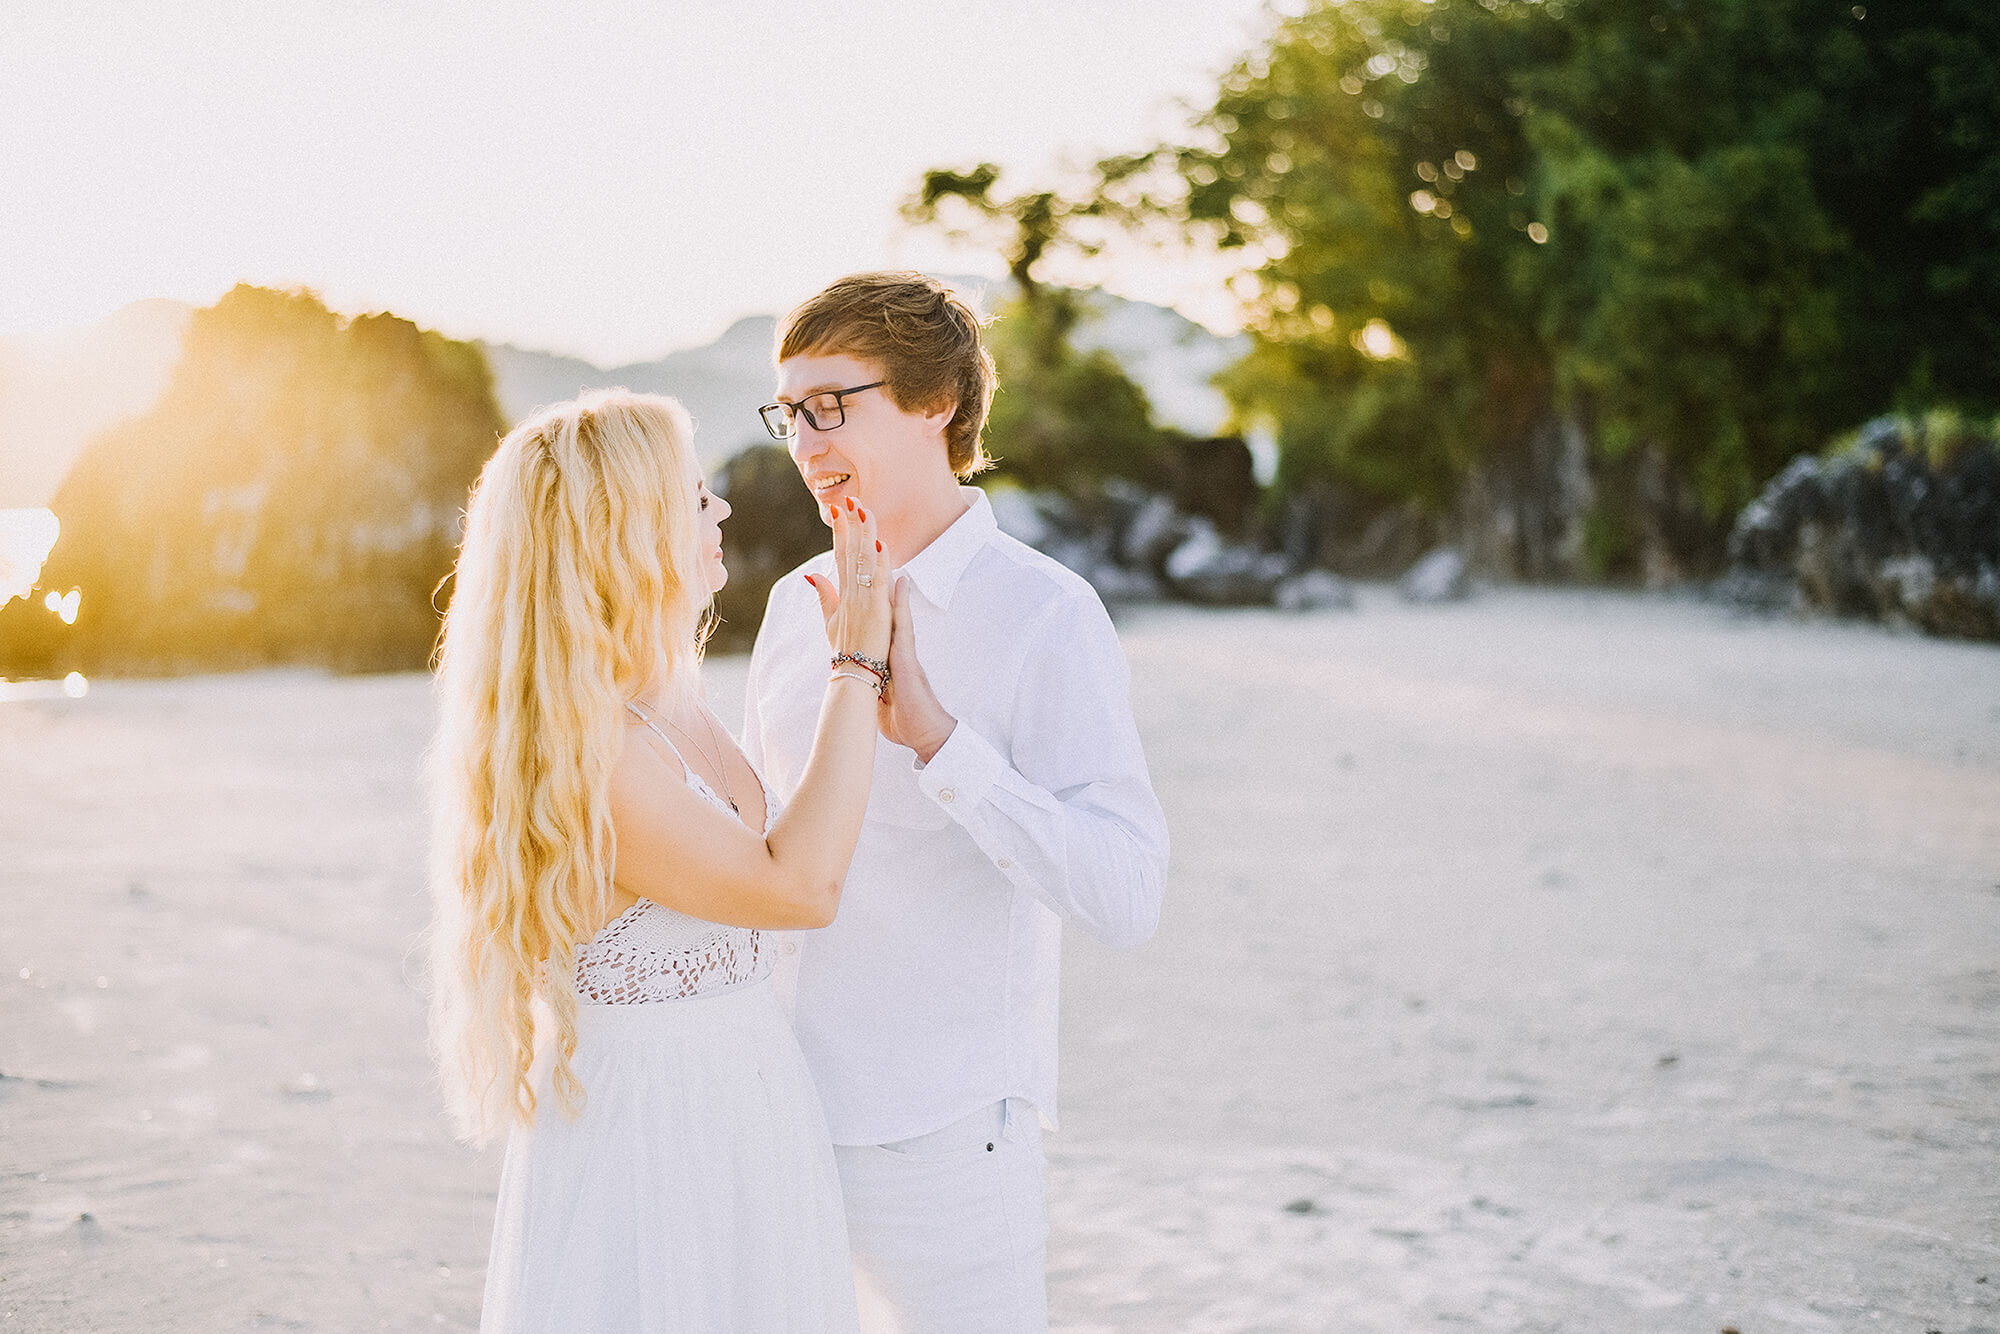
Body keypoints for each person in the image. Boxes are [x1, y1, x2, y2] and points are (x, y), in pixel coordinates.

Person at [743, 273, 1171, 1332]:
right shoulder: (793, 607)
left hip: (939, 1138)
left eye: (833, 405)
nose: (805, 441)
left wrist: (939, 739)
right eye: (790, 412)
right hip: (763, 1112)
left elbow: (1126, 891)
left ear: (936, 400)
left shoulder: (1045, 614)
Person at [427, 389, 894, 1333]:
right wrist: (858, 661)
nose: (720, 510)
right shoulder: (592, 745)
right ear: (624, 531)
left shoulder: (670, 703)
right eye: (694, 497)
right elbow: (797, 889)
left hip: (749, 1111)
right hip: (654, 1143)